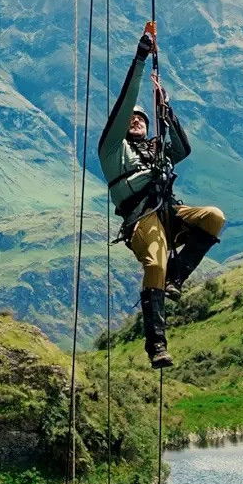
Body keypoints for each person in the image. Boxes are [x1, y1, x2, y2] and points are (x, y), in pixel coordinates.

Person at [97, 29, 225, 369]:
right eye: (133, 119)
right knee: (155, 262)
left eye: (142, 118)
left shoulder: (156, 149)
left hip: (170, 212)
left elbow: (182, 148)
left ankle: (176, 278)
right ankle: (156, 343)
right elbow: (125, 104)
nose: (137, 121)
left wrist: (166, 110)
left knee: (213, 216)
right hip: (142, 218)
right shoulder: (112, 150)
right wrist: (140, 58)